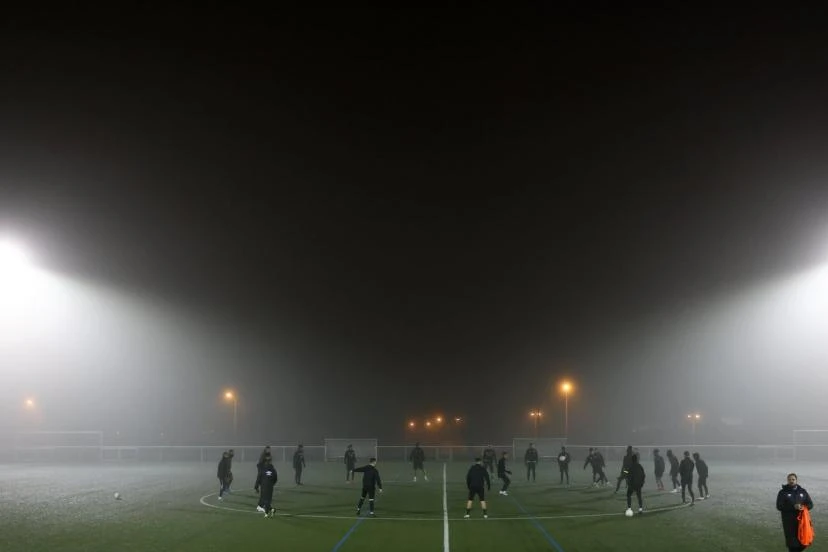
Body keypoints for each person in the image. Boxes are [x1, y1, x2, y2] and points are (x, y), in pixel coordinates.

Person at [776, 473, 814, 552]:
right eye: (789, 480)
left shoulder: (803, 491)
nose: (791, 481)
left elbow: (810, 504)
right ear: (787, 481)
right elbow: (779, 506)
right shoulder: (782, 492)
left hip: (802, 522)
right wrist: (793, 507)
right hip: (789, 523)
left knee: (803, 543)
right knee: (792, 545)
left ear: (796, 480)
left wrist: (802, 507)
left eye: (793, 479)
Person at [256, 453, 278, 517]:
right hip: (270, 486)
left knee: (265, 500)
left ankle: (266, 513)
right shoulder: (273, 469)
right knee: (267, 499)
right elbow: (275, 478)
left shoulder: (262, 469)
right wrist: (271, 484)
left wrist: (257, 486)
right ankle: (271, 510)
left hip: (263, 486)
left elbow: (259, 477)